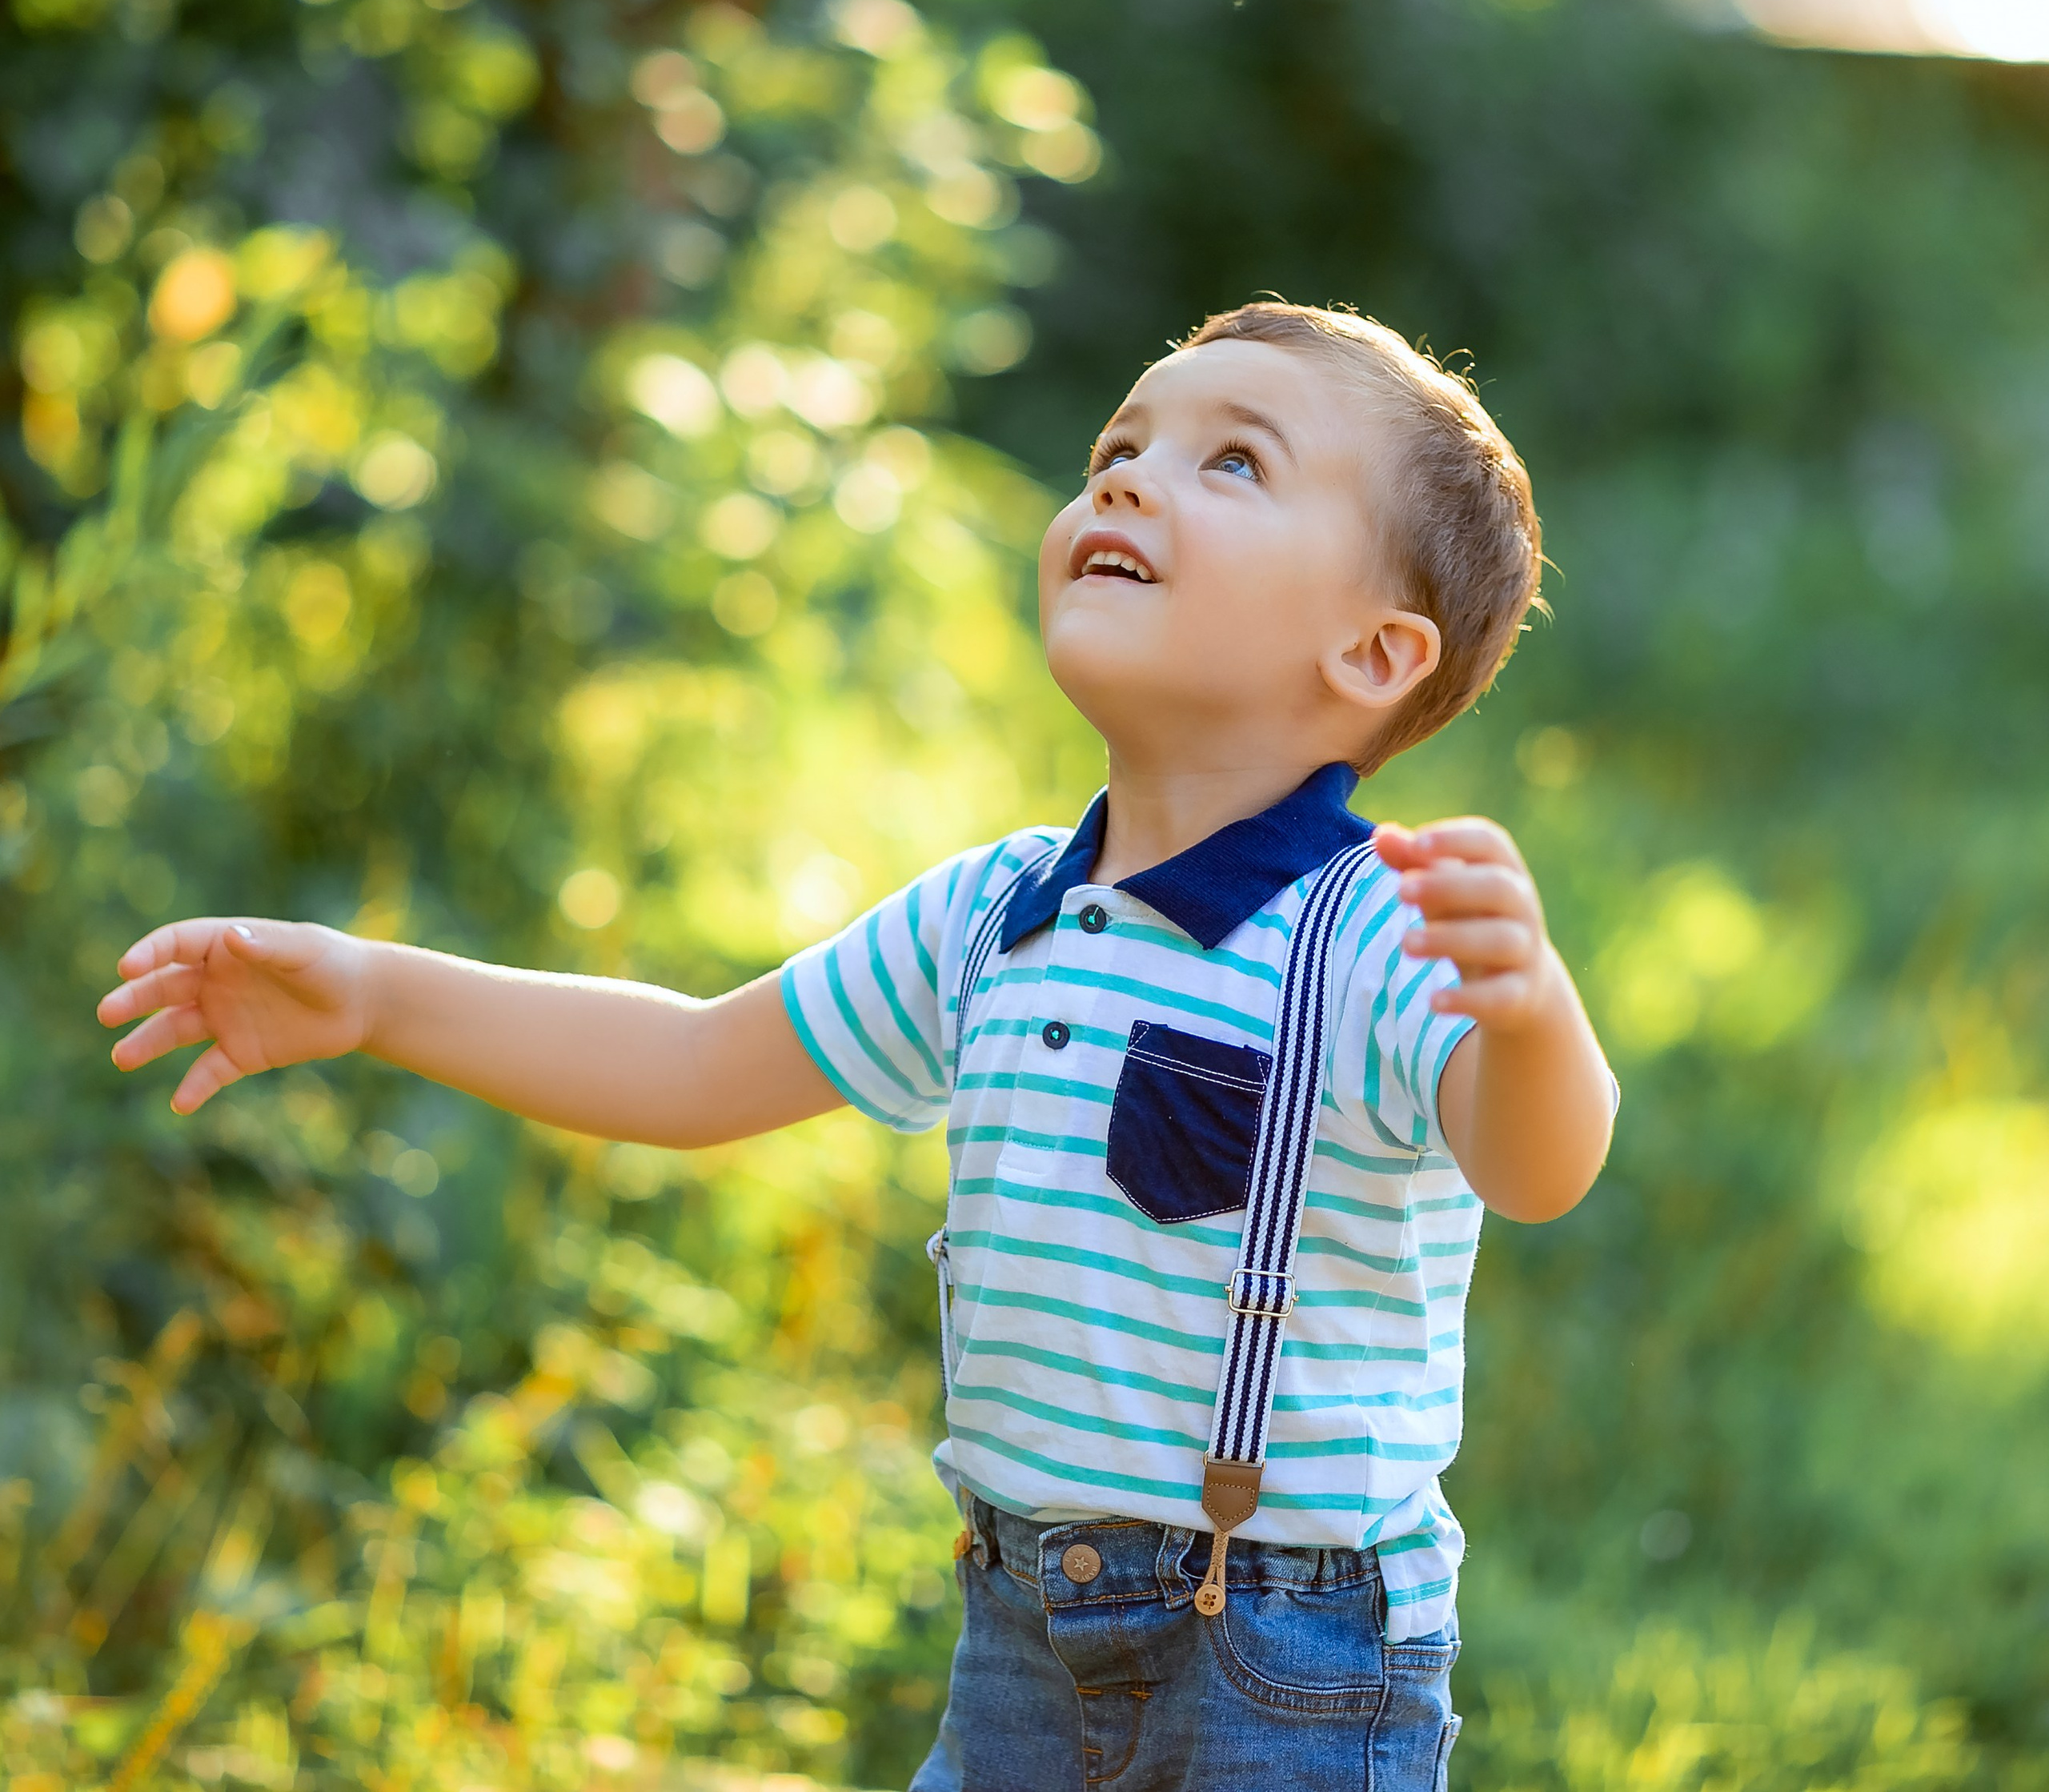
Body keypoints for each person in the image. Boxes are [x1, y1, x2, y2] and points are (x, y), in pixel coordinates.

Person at [98, 301, 1616, 1791]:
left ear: (1372, 655)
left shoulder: (1377, 934)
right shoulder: (998, 914)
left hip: (1284, 1665)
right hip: (1017, 1622)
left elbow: (1538, 1166)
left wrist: (1530, 1008)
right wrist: (376, 993)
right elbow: (693, 1066)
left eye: (1235, 463)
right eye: (1122, 441)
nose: (1129, 476)